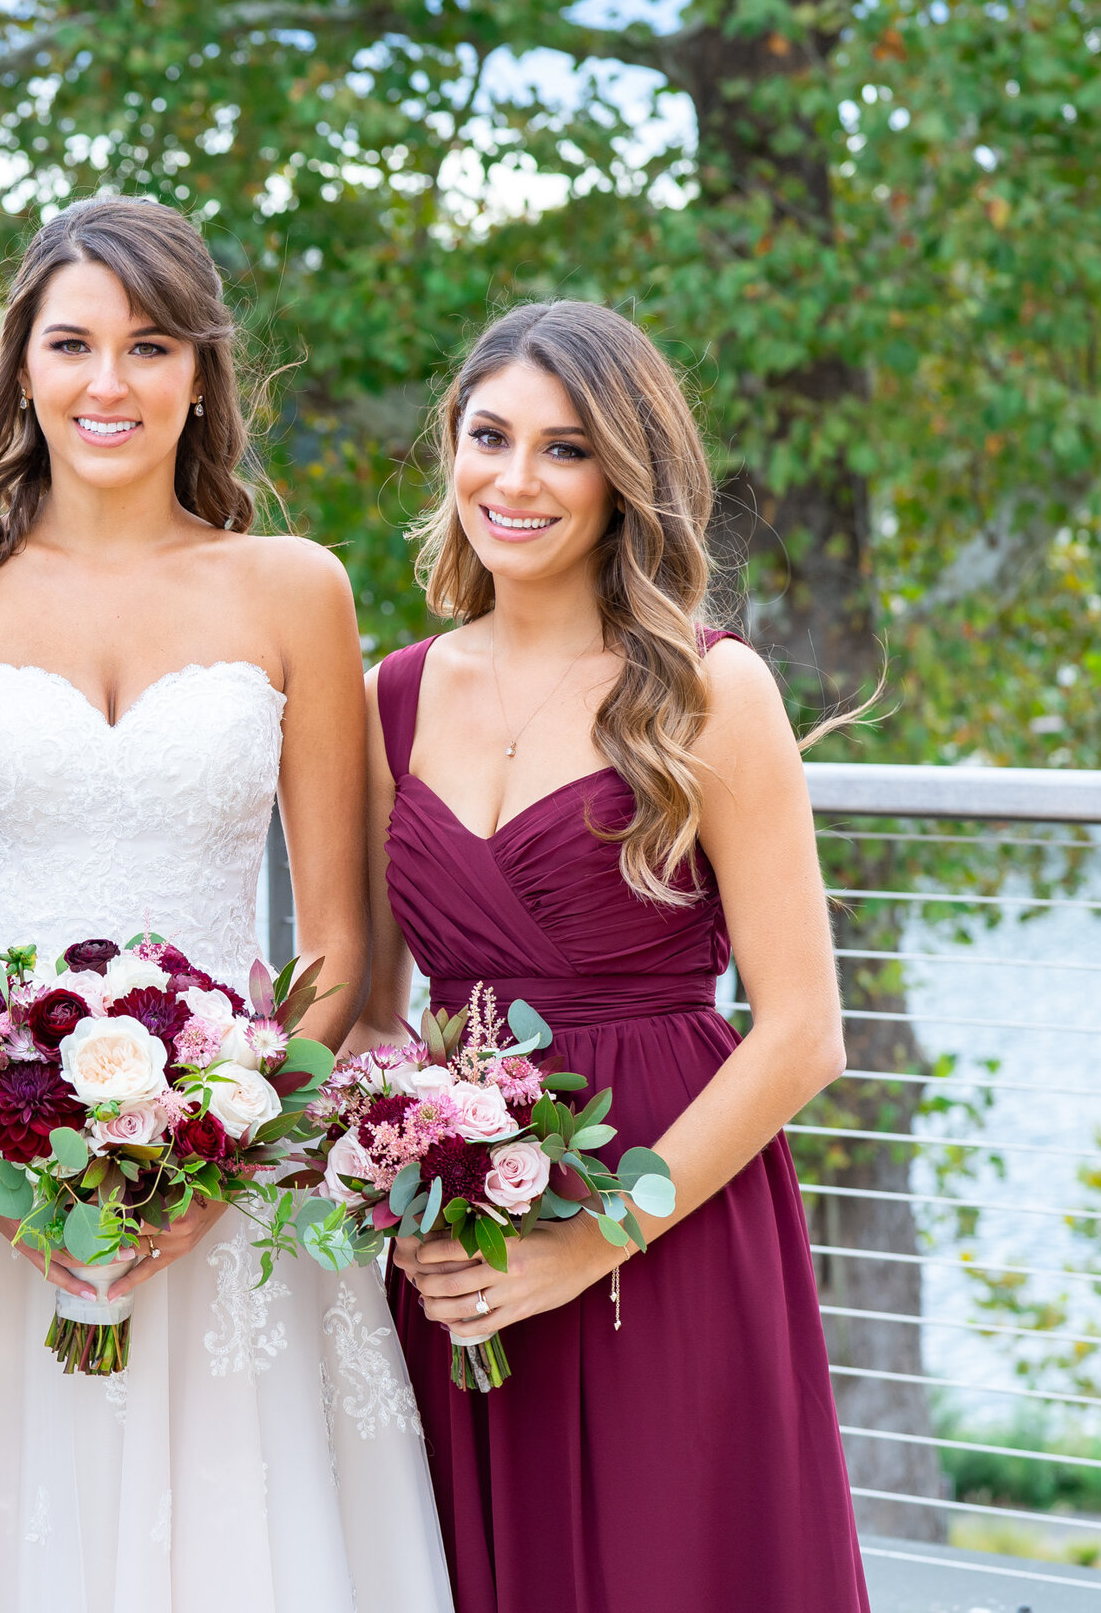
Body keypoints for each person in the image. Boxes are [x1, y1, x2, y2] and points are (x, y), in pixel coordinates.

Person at [0, 195, 453, 1612]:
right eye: (73, 344)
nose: (107, 383)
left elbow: (340, 946)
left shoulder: (293, 587)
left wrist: (211, 1162)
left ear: (200, 374)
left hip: (235, 1186)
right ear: (23, 365)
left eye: (150, 345)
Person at [367, 300, 867, 1610]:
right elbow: (372, 1003)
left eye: (566, 448)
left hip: (667, 1204)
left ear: (626, 476)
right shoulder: (396, 692)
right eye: (490, 437)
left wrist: (596, 1241)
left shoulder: (710, 689)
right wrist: (391, 1191)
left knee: (672, 1560)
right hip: (462, 1215)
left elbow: (805, 1028)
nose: (515, 480)